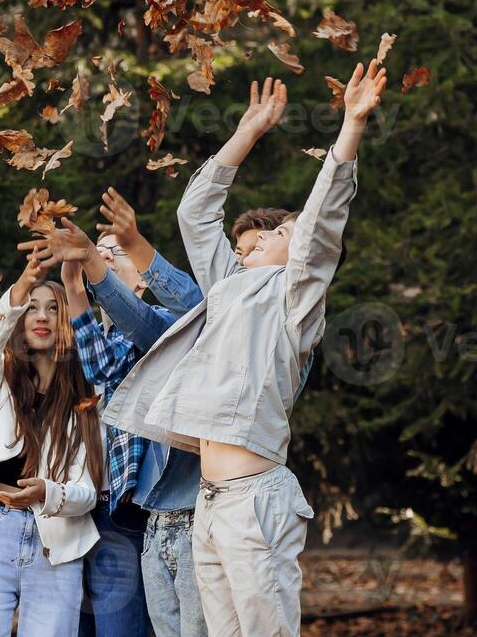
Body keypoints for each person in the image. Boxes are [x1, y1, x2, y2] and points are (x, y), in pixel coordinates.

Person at [105, 63, 386, 636]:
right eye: (250, 241)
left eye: (274, 235)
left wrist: (351, 126)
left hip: (255, 500)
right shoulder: (227, 287)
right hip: (207, 503)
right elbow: (196, 213)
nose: (257, 243)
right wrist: (247, 133)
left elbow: (322, 222)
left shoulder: (294, 299)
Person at [69, 189, 203, 637]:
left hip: (129, 509)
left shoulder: (160, 326)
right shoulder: (92, 331)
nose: (100, 262)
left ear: (141, 279)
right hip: (85, 507)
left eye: (111, 255)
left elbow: (103, 369)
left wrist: (77, 287)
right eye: (98, 255)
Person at [0, 249, 106, 637]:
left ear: (65, 320)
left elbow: (89, 492)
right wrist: (21, 286)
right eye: (33, 309)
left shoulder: (87, 399)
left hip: (58, 540)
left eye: (52, 309)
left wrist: (47, 492)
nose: (41, 316)